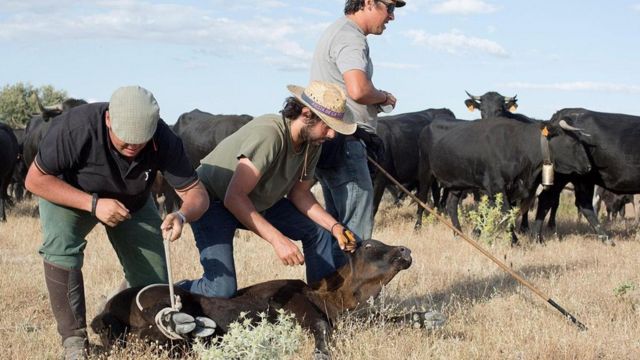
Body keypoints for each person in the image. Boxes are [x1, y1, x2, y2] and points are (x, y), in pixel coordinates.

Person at [24, 85, 209, 360]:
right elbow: (34, 180)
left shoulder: (164, 138)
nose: (133, 147)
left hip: (131, 200)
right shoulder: (75, 128)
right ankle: (74, 341)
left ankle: (112, 306)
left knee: (154, 283)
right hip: (70, 194)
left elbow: (197, 194)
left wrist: (182, 215)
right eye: (126, 140)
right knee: (61, 247)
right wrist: (94, 205)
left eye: (141, 140)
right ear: (109, 119)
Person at [178, 81, 358, 298]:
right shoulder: (270, 134)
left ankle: (321, 301)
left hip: (255, 201)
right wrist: (277, 239)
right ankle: (168, 292)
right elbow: (233, 197)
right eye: (327, 126)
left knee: (319, 232)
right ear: (307, 114)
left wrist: (335, 226)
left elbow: (299, 193)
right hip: (213, 202)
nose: (331, 135)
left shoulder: (313, 144)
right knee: (221, 290)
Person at [310, 0, 404, 265]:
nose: (392, 17)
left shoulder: (336, 31)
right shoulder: (351, 38)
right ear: (368, 3)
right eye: (390, 8)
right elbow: (358, 90)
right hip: (347, 141)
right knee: (355, 229)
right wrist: (383, 96)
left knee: (335, 225)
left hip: (331, 140)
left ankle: (329, 297)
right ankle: (353, 303)